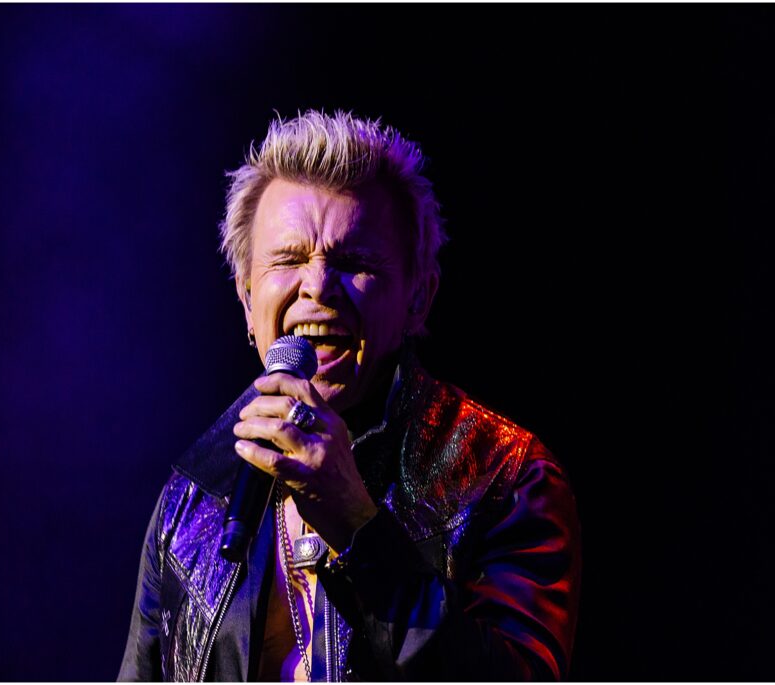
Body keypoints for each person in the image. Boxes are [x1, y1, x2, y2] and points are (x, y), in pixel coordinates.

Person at [118, 110, 582, 682]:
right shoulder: (194, 496)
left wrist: (358, 527)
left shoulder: (505, 478)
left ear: (419, 297)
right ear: (245, 299)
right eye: (288, 260)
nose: (317, 285)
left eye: (353, 262)